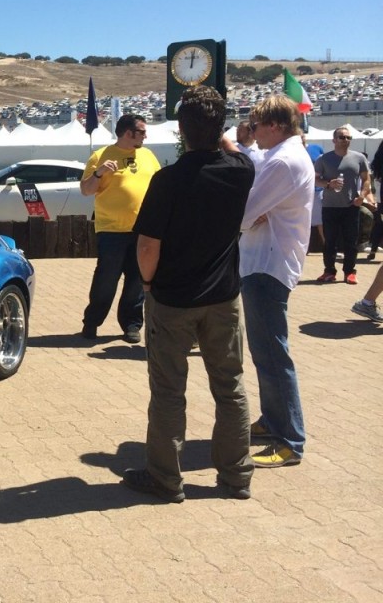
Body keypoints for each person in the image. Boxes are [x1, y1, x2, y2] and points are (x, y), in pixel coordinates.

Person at [121, 86, 256, 503]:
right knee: (230, 387)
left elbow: (147, 246)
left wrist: (146, 284)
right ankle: (235, 479)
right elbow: (232, 150)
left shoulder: (168, 180)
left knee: (168, 392)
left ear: (181, 131)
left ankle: (166, 479)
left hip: (173, 300)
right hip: (223, 298)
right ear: (221, 128)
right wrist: (222, 134)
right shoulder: (241, 169)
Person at [239, 95, 314, 468]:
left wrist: (251, 215)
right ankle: (273, 422)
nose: (252, 133)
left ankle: (290, 440)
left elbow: (244, 211)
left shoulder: (284, 160)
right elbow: (254, 206)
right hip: (265, 264)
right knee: (265, 352)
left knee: (272, 355)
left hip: (267, 267)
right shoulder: (283, 156)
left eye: (256, 126)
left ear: (275, 125)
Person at [79, 113, 160, 344]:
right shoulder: (100, 156)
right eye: (142, 132)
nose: (146, 135)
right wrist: (99, 172)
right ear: (128, 133)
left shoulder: (147, 155)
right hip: (111, 230)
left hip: (142, 230)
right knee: (106, 279)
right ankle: (92, 322)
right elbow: (86, 190)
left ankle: (131, 326)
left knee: (136, 281)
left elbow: (157, 185)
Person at [314, 125, 371, 284]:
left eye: (348, 138)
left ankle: (350, 272)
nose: (345, 140)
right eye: (342, 137)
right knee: (330, 241)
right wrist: (327, 184)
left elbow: (367, 179)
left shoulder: (359, 158)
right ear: (334, 140)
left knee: (351, 241)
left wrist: (362, 196)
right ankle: (329, 271)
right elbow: (315, 178)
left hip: (351, 206)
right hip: (330, 206)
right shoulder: (324, 159)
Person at [303, 133, 325, 246]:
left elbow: (324, 164)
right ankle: (305, 246)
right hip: (300, 191)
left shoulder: (316, 148)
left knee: (321, 220)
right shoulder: (291, 152)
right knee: (302, 220)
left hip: (317, 189)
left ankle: (327, 245)